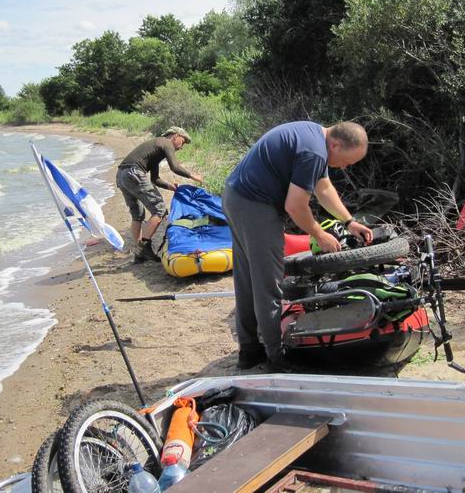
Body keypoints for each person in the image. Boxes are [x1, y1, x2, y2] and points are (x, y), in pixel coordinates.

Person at [223, 121, 373, 372]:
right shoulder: (314, 152)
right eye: (348, 161)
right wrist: (318, 233)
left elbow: (324, 188)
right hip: (254, 205)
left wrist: (349, 222)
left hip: (237, 197)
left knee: (249, 279)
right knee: (268, 283)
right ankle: (276, 358)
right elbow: (295, 206)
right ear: (335, 144)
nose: (346, 167)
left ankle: (249, 352)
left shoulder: (316, 136)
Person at [116, 127, 204, 263]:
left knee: (137, 215)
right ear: (176, 136)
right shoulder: (166, 142)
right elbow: (175, 167)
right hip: (133, 173)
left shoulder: (156, 148)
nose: (182, 147)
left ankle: (139, 252)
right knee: (160, 209)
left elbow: (155, 179)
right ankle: (143, 247)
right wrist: (193, 176)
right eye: (183, 141)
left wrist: (169, 186)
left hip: (122, 175)